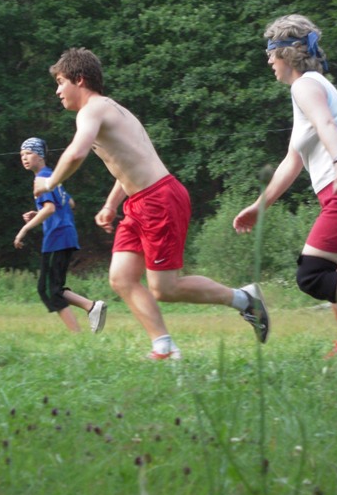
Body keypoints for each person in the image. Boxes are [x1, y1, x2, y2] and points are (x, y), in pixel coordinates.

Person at [33, 47, 269, 359]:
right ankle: (164, 347)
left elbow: (76, 153)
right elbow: (129, 164)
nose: (58, 90)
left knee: (164, 288)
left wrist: (50, 182)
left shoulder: (91, 110)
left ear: (79, 79)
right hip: (140, 202)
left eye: (61, 82)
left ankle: (245, 300)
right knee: (121, 278)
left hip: (159, 199)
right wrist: (111, 204)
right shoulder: (113, 109)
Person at [233, 14, 337, 358]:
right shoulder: (309, 89)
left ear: (288, 52)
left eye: (271, 52)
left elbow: (326, 123)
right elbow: (292, 161)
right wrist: (260, 206)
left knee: (312, 276)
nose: (269, 60)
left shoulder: (305, 86)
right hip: (336, 191)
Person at [14, 136, 107, 334]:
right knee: (52, 287)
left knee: (48, 289)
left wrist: (25, 229)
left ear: (40, 156)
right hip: (65, 234)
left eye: (29, 153)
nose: (24, 158)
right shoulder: (51, 176)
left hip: (56, 237)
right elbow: (69, 203)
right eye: (22, 154)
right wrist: (38, 213)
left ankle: (80, 328)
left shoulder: (41, 179)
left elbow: (50, 208)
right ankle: (91, 307)